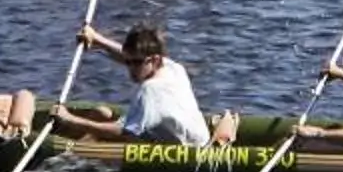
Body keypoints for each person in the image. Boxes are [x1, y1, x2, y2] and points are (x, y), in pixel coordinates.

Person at [53, 23, 220, 146]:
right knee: (103, 115)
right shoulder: (173, 68)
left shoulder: (150, 90)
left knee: (107, 126)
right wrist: (97, 40)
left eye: (136, 63)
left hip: (185, 155)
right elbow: (126, 54)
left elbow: (124, 132)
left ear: (154, 60)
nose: (131, 68)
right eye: (128, 62)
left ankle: (72, 149)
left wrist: (71, 119)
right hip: (202, 143)